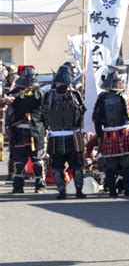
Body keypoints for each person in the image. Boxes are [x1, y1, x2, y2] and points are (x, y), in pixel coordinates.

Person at [92, 65, 129, 198]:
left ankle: (112, 191)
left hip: (108, 134)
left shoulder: (101, 98)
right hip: (124, 133)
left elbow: (96, 118)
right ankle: (128, 190)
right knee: (127, 165)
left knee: (110, 167)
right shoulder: (125, 96)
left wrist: (101, 135)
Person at [42, 65, 86, 199]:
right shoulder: (75, 94)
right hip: (73, 135)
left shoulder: (49, 95)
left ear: (56, 81)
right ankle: (79, 191)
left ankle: (62, 192)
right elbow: (83, 111)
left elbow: (43, 115)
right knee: (77, 165)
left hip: (55, 136)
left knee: (57, 166)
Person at [6, 66, 47, 193]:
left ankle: (23, 186)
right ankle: (35, 186)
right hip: (35, 130)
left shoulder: (16, 93)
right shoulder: (40, 93)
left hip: (25, 130)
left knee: (27, 160)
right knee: (32, 160)